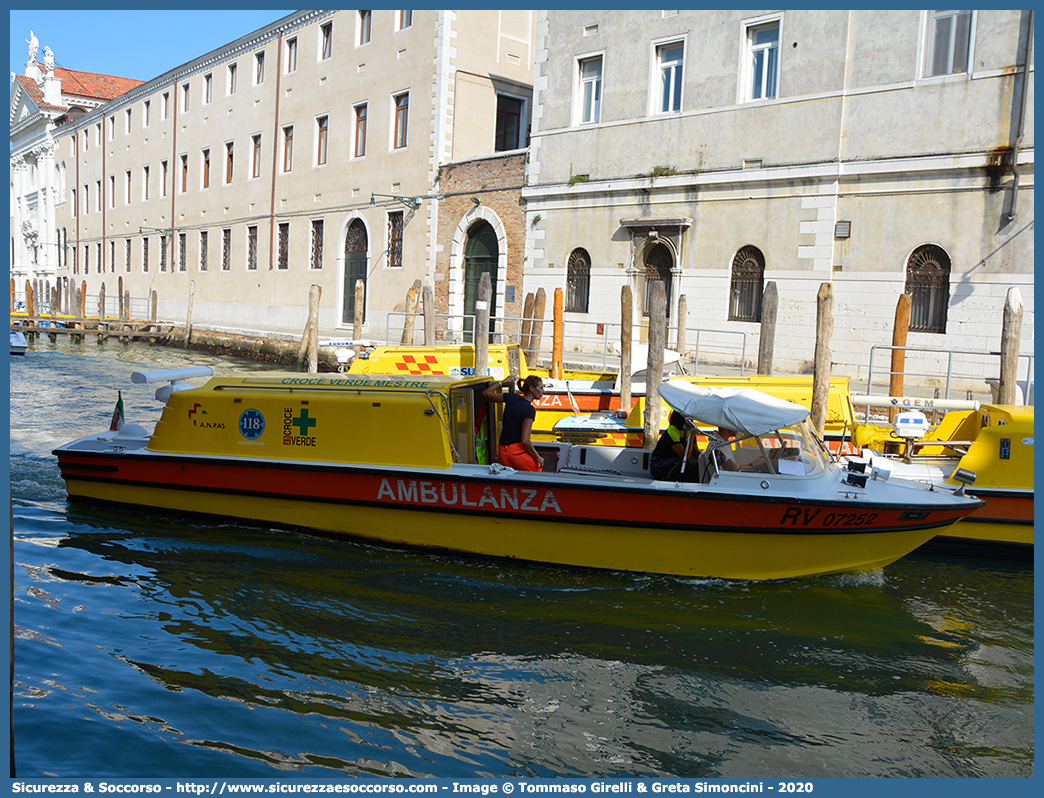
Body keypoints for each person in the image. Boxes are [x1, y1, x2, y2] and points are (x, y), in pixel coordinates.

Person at [482, 374, 546, 471]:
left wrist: (502, 382)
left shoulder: (511, 398)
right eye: (541, 388)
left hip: (503, 451)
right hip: (516, 452)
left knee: (508, 476)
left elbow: (486, 393)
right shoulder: (529, 410)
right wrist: (538, 457)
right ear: (532, 388)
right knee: (537, 469)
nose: (543, 391)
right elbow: (525, 440)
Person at [649, 411, 700, 482]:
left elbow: (695, 451)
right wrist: (691, 437)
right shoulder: (672, 431)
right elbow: (684, 456)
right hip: (659, 465)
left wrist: (706, 458)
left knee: (699, 468)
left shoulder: (688, 431)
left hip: (674, 463)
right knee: (685, 464)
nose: (691, 422)